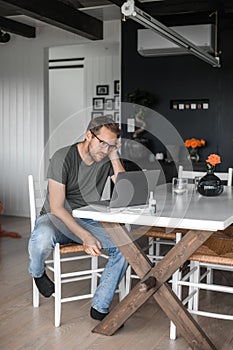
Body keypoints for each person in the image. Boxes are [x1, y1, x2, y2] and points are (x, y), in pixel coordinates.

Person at [28, 116, 128, 321]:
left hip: (87, 219)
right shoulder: (62, 157)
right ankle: (37, 273)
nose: (105, 149)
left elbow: (125, 190)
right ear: (88, 135)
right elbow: (56, 207)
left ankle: (100, 306)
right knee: (41, 240)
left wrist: (113, 153)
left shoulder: (106, 156)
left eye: (111, 145)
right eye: (102, 143)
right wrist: (85, 236)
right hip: (55, 219)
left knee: (126, 246)